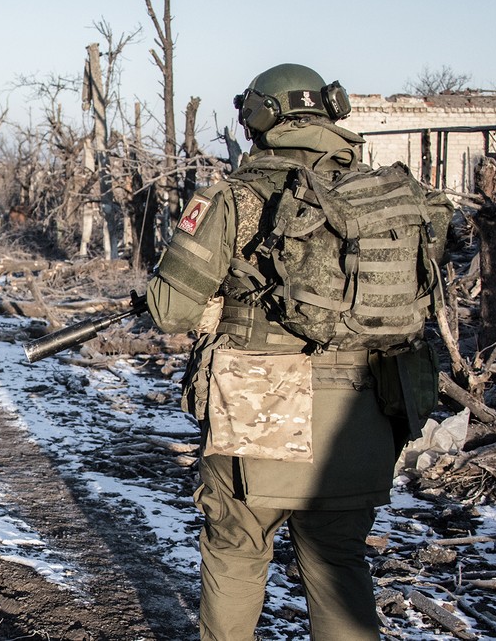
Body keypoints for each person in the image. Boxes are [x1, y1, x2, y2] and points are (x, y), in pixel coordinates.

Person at [145, 63, 444, 640]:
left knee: (237, 548)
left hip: (260, 409)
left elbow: (171, 310)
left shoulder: (232, 198)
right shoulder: (385, 198)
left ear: (258, 118)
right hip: (366, 410)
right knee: (337, 561)